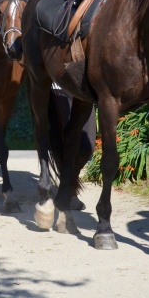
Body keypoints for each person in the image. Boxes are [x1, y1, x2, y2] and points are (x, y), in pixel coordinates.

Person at [49, 82, 96, 211]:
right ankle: (69, 190)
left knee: (88, 147)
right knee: (62, 143)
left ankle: (69, 182)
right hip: (58, 89)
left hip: (84, 91)